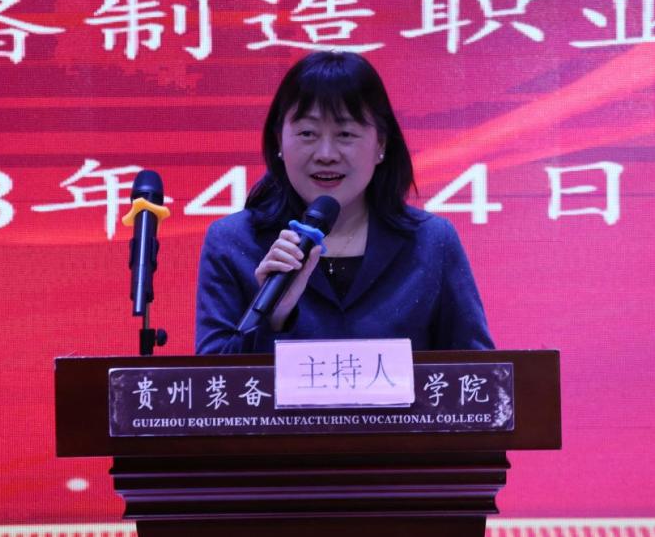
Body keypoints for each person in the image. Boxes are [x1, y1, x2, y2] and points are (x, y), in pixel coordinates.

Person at [195, 51, 493, 354]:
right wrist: (275, 316)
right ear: (279, 142)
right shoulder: (233, 241)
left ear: (381, 144)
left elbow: (479, 372)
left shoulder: (430, 241)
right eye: (307, 133)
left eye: (345, 134)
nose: (326, 154)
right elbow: (211, 378)